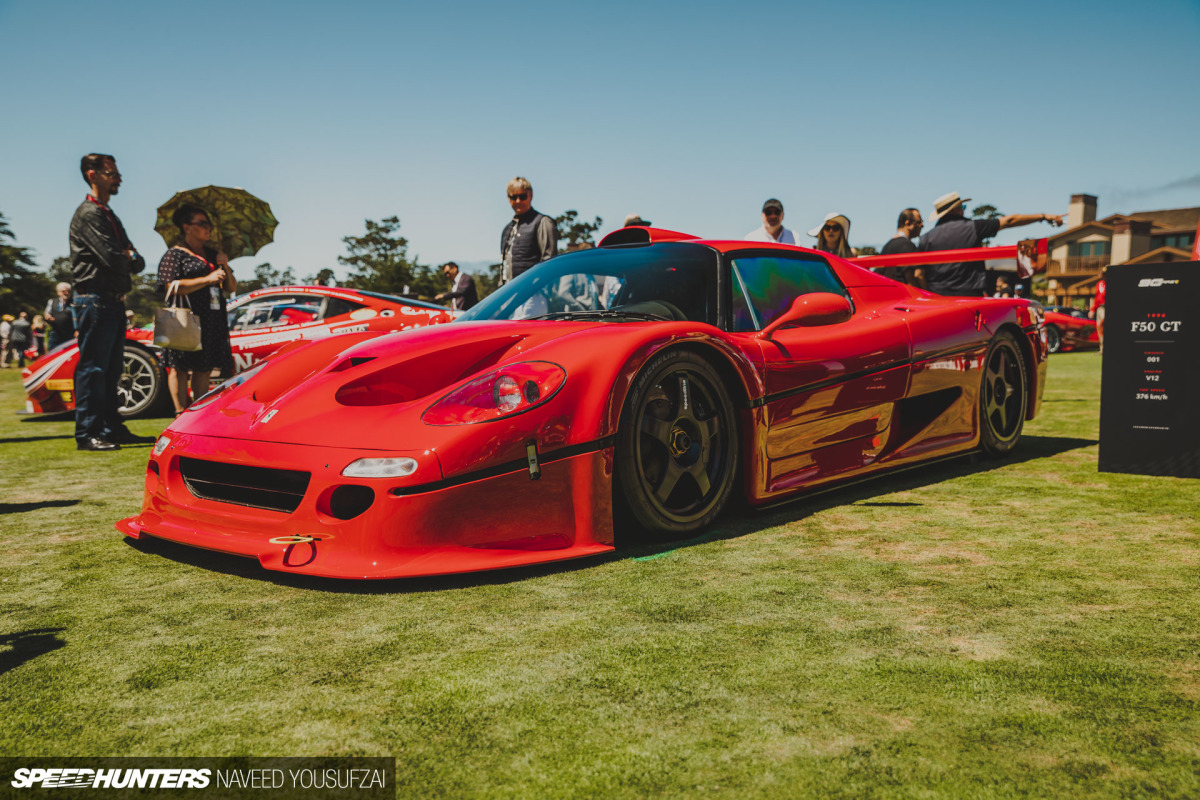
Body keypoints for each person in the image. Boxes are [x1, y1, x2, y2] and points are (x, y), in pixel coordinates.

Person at [69, 153, 152, 451]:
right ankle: (88, 433)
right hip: (95, 299)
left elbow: (135, 260)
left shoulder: (108, 214)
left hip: (111, 301)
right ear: (93, 175)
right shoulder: (89, 214)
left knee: (112, 368)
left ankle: (110, 427)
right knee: (94, 368)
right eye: (111, 173)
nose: (118, 178)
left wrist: (128, 257)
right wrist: (127, 257)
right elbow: (115, 258)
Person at [156, 203, 237, 415]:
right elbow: (170, 286)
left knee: (204, 367)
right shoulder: (174, 255)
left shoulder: (213, 255)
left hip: (211, 318)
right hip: (185, 318)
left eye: (208, 224)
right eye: (201, 223)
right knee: (180, 367)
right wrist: (207, 279)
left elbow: (231, 287)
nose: (207, 228)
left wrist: (225, 267)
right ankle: (180, 412)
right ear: (186, 227)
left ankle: (197, 413)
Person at [920, 192, 1064, 297]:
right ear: (955, 209)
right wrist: (1043, 216)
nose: (964, 210)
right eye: (962, 207)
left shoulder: (925, 238)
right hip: (968, 295)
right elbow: (1009, 221)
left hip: (936, 296)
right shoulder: (973, 227)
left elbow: (919, 273)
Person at [500, 177, 557, 283]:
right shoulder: (507, 230)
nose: (518, 201)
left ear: (530, 195)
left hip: (534, 293)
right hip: (510, 292)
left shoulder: (542, 222)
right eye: (514, 197)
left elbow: (549, 262)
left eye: (522, 196)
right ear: (508, 198)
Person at [879, 208, 925, 286]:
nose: (922, 225)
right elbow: (911, 280)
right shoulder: (907, 246)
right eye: (919, 222)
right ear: (908, 224)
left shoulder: (887, 246)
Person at [45, 282, 75, 350]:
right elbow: (47, 313)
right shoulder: (52, 301)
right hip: (55, 332)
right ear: (58, 292)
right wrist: (48, 317)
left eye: (68, 291)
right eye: (63, 291)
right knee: (52, 352)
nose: (66, 293)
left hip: (69, 334)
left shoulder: (74, 303)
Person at [1090, 270, 1106, 352]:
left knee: (1104, 326)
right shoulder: (1099, 284)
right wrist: (1092, 309)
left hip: (1106, 307)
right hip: (1099, 308)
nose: (1100, 274)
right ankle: (1102, 348)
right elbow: (1097, 298)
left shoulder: (1110, 283)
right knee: (1099, 327)